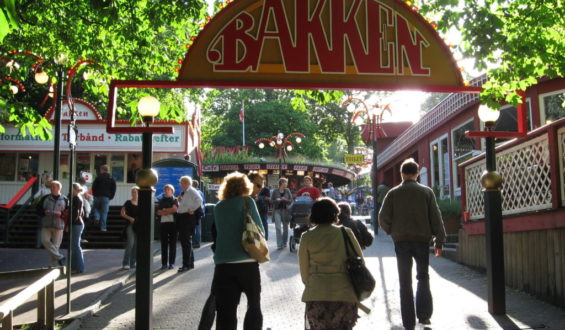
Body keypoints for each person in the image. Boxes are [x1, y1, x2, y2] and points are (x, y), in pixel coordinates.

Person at [379, 158, 446, 329]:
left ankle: (408, 322)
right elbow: (436, 218)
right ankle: (424, 316)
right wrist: (439, 241)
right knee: (423, 276)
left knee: (404, 281)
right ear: (417, 174)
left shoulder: (393, 193)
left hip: (401, 241)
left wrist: (392, 231)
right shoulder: (426, 192)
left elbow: (383, 217)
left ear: (402, 174)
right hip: (422, 240)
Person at [298, 198, 363, 330]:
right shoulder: (346, 233)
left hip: (316, 294)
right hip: (344, 293)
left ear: (313, 215)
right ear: (335, 214)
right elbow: (360, 261)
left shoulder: (306, 237)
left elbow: (304, 273)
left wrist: (311, 283)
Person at [213, 171, 264, 330]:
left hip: (223, 264)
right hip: (247, 261)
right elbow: (260, 229)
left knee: (225, 310)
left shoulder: (218, 207)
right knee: (253, 305)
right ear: (245, 186)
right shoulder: (247, 201)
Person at [36, 180, 68, 267]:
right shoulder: (45, 198)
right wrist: (44, 212)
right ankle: (60, 257)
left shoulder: (65, 199)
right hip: (46, 224)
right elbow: (38, 209)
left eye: (54, 186)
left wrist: (61, 214)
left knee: (56, 246)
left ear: (59, 188)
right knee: (44, 241)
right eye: (51, 186)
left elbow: (68, 213)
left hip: (59, 225)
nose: (51, 188)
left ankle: (52, 265)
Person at [176, 175, 203, 272]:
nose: (180, 185)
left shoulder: (191, 190)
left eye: (181, 183)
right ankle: (190, 263)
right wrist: (180, 201)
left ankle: (186, 265)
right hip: (184, 218)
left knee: (185, 242)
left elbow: (199, 200)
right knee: (187, 242)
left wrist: (192, 209)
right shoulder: (187, 192)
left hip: (186, 219)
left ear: (185, 183)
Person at [157, 184, 178, 270]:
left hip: (173, 224)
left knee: (173, 244)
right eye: (165, 190)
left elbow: (175, 209)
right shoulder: (161, 200)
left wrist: (164, 210)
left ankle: (171, 263)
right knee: (164, 245)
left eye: (168, 190)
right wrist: (168, 211)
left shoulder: (175, 199)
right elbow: (158, 212)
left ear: (172, 191)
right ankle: (164, 264)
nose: (166, 191)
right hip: (163, 224)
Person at [92, 164, 117, 231]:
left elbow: (93, 187)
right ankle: (103, 227)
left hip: (97, 196)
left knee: (96, 208)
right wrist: (111, 197)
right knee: (104, 212)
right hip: (106, 197)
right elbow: (113, 188)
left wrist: (94, 195)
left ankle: (97, 217)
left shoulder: (98, 177)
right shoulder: (111, 178)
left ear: (102, 170)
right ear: (108, 170)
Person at [270, 177, 292, 250]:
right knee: (278, 227)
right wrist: (276, 200)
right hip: (277, 211)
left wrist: (286, 200)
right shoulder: (275, 191)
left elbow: (291, 201)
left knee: (285, 228)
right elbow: (271, 201)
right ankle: (279, 244)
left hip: (285, 211)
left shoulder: (288, 190)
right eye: (285, 182)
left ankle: (284, 241)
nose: (286, 184)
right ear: (281, 183)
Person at [120, 186, 139, 270]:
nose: (134, 193)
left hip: (138, 225)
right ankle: (125, 263)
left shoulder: (142, 203)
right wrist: (130, 218)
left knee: (136, 244)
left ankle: (133, 262)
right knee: (130, 243)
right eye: (132, 192)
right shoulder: (128, 202)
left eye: (135, 192)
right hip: (130, 224)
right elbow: (122, 213)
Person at [248, 172, 270, 240]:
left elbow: (269, 198)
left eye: (262, 186)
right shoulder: (247, 199)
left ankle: (265, 238)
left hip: (263, 209)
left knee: (264, 223)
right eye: (258, 186)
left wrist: (260, 198)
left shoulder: (265, 190)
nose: (260, 189)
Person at [70, 183, 85, 274]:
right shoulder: (79, 198)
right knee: (75, 245)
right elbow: (81, 213)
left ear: (74, 189)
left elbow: (77, 212)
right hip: (79, 223)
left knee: (75, 246)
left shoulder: (76, 198)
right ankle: (76, 266)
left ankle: (78, 267)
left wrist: (70, 223)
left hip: (76, 224)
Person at [33, 178, 52, 248]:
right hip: (49, 212)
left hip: (41, 211)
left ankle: (38, 244)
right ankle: (47, 245)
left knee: (40, 228)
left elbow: (35, 197)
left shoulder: (42, 190)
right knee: (49, 229)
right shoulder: (52, 192)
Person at [192, 179, 206, 249]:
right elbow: (204, 202)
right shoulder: (201, 192)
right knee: (198, 227)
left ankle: (196, 243)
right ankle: (197, 242)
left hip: (195, 212)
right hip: (200, 212)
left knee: (195, 228)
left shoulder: (194, 192)